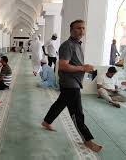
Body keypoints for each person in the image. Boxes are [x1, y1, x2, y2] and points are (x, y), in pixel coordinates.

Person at [41, 20, 103, 152]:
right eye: (78, 28)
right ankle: (88, 140)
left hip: (74, 82)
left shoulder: (77, 45)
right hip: (70, 84)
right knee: (77, 113)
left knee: (60, 104)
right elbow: (63, 65)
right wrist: (82, 67)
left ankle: (47, 121)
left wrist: (85, 68)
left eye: (83, 28)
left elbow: (75, 63)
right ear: (71, 30)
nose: (81, 31)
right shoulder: (67, 45)